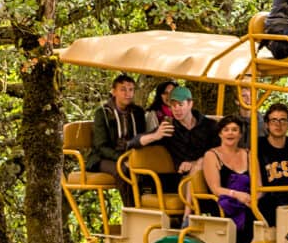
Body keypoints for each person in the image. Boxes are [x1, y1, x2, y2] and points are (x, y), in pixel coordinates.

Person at [87, 75, 161, 204]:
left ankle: (152, 210)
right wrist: (122, 159)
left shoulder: (137, 112)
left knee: (152, 170)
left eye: (131, 90)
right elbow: (100, 146)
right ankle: (131, 210)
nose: (128, 94)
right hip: (104, 158)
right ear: (114, 91)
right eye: (123, 90)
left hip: (131, 155)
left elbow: (141, 137)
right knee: (123, 171)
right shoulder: (103, 113)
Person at [147, 81, 218, 198]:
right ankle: (187, 213)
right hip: (182, 179)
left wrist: (195, 163)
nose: (176, 109)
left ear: (190, 104)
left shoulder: (210, 126)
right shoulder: (168, 129)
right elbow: (135, 142)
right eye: (173, 105)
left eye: (180, 105)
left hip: (210, 173)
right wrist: (155, 136)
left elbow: (219, 152)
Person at [198, 116, 256, 243]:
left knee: (265, 207)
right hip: (223, 201)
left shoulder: (248, 154)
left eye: (234, 130)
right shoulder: (211, 155)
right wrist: (237, 195)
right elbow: (216, 189)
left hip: (247, 199)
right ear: (220, 134)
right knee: (246, 213)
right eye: (226, 129)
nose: (230, 133)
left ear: (240, 135)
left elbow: (258, 184)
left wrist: (255, 197)